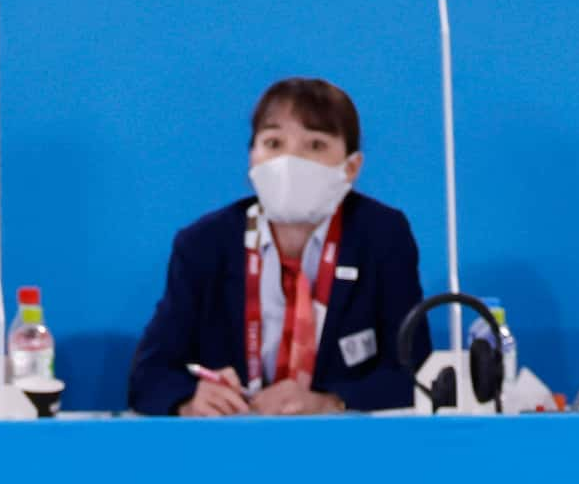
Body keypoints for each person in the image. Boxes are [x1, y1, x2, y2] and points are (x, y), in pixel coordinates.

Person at [129, 79, 424, 416]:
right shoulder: (205, 244)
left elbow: (415, 373)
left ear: (351, 167)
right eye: (273, 143)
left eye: (315, 145)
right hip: (230, 448)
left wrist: (330, 402)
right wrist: (189, 399)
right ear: (253, 159)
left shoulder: (381, 235)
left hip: (343, 448)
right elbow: (147, 376)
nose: (290, 162)